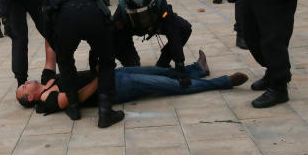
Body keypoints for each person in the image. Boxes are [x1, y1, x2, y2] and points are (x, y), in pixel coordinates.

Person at [16, 51, 247, 113]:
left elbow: (50, 52)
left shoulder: (46, 81)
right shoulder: (47, 100)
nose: (26, 82)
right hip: (114, 87)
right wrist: (98, 76)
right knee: (170, 86)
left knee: (161, 71)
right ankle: (223, 82)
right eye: (24, 87)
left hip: (113, 74)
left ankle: (199, 69)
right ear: (30, 97)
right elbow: (77, 98)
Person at [43, 0, 123, 127]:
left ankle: (73, 108)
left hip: (65, 22)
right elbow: (102, 5)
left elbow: (46, 18)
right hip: (93, 18)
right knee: (107, 62)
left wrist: (56, 45)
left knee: (65, 63)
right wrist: (107, 39)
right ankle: (105, 113)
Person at [111, 0, 193, 76]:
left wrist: (179, 63)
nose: (142, 20)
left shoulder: (161, 7)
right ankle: (132, 62)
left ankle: (164, 61)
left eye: (144, 16)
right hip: (130, 29)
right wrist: (108, 66)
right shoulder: (121, 14)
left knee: (184, 28)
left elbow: (174, 34)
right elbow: (111, 39)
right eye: (137, 16)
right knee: (133, 68)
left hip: (156, 24)